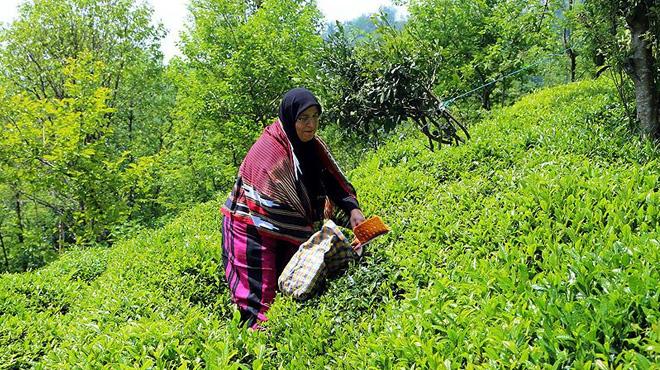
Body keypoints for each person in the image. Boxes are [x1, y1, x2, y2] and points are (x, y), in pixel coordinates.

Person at [220, 88, 366, 328]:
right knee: (261, 296)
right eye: (303, 118)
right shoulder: (270, 152)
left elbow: (331, 179)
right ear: (290, 118)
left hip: (287, 222)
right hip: (250, 225)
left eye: (315, 117)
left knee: (296, 281)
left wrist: (352, 209)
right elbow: (271, 202)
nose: (311, 125)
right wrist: (312, 238)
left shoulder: (312, 146)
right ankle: (256, 343)